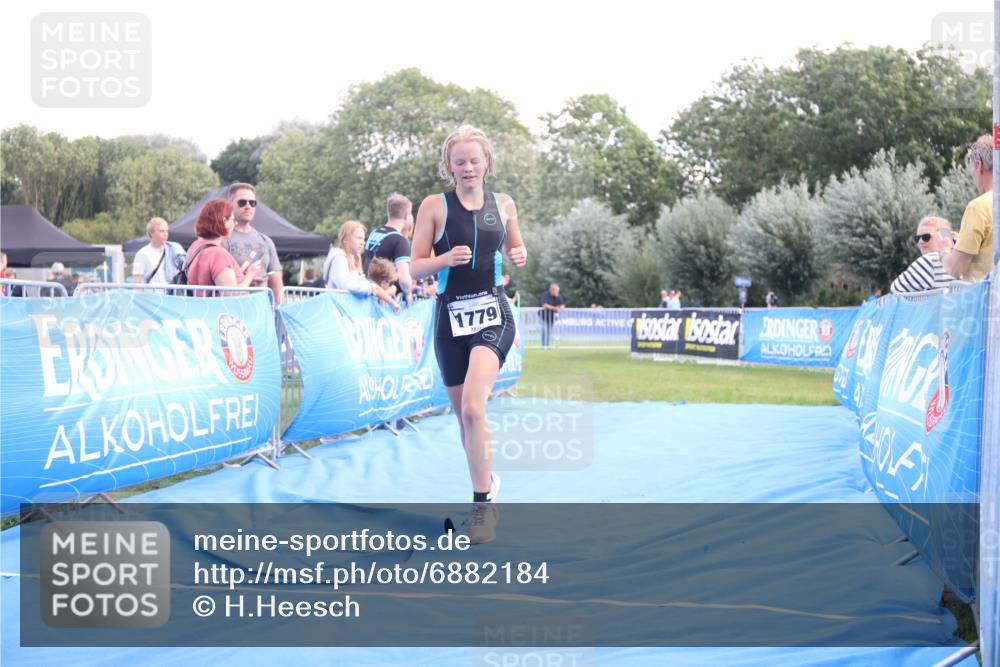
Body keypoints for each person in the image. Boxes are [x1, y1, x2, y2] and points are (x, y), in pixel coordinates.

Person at [411, 125, 527, 544]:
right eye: (459, 161)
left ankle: (482, 508)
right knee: (464, 418)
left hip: (493, 312)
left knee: (475, 410)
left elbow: (517, 249)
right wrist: (443, 258)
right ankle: (488, 484)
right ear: (449, 166)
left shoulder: (505, 204)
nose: (468, 168)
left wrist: (520, 252)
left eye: (474, 160)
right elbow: (415, 267)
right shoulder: (434, 206)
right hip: (450, 320)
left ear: (487, 163)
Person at [184, 199, 263, 294]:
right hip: (219, 308)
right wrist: (250, 275)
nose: (235, 224)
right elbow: (231, 295)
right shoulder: (218, 254)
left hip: (198, 306)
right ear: (224, 221)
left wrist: (244, 278)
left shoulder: (195, 245)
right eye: (233, 220)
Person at [222, 183, 284, 303]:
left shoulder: (266, 241)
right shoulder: (222, 239)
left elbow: (276, 284)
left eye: (252, 203)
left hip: (261, 310)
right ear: (230, 204)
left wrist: (281, 314)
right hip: (233, 308)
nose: (248, 206)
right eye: (242, 202)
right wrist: (247, 279)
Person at [945, 135, 995, 281]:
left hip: (987, 300)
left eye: (971, 166)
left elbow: (956, 268)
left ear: (980, 165)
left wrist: (944, 251)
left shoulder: (979, 207)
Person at [322, 220, 399, 311]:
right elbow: (344, 284)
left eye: (363, 239)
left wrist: (392, 302)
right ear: (346, 239)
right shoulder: (339, 258)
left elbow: (372, 287)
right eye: (358, 238)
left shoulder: (354, 260)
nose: (363, 242)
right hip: (336, 311)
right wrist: (369, 289)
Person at [363, 193, 415, 305]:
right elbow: (404, 280)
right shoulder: (400, 241)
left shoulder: (374, 233)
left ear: (388, 212)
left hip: (368, 294)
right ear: (406, 216)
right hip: (385, 301)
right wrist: (408, 293)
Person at [891, 216, 956, 294]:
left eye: (926, 237)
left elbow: (895, 289)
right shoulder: (961, 259)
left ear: (944, 237)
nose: (920, 241)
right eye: (917, 238)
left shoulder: (930, 260)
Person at [132, 217, 186, 285]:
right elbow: (137, 282)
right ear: (151, 233)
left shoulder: (175, 250)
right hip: (150, 294)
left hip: (169, 294)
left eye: (166, 231)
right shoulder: (141, 254)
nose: (165, 234)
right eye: (162, 231)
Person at [539, 283, 565, 349]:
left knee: (549, 332)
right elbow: (544, 305)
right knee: (545, 330)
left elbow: (562, 305)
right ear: (552, 290)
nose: (558, 292)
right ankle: (544, 346)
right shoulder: (546, 295)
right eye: (556, 290)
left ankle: (548, 346)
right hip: (543, 316)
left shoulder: (558, 296)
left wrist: (560, 309)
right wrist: (555, 308)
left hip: (551, 318)